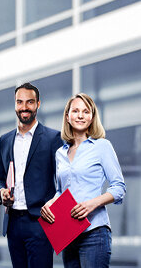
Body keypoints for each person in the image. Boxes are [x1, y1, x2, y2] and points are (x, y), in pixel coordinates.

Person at [41, 93, 126, 268]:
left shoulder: (102, 146)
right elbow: (61, 191)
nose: (80, 115)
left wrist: (92, 204)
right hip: (68, 233)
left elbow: (119, 188)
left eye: (86, 112)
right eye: (76, 111)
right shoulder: (60, 153)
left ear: (92, 117)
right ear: (67, 116)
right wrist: (50, 203)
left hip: (94, 233)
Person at [0, 83, 63, 267]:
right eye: (20, 102)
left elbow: (63, 181)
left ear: (38, 104)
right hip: (13, 222)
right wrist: (1, 193)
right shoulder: (5, 140)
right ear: (15, 105)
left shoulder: (52, 138)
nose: (24, 107)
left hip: (40, 221)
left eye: (30, 102)